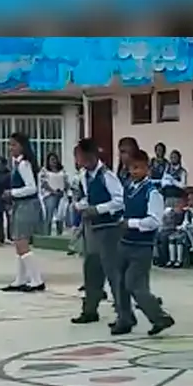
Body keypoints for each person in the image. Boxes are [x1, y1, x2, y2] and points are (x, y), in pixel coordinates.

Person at [110, 149, 176, 336]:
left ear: (148, 168)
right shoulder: (129, 187)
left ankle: (159, 316)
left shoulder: (152, 192)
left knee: (135, 285)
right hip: (125, 242)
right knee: (120, 283)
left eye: (138, 168)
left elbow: (155, 221)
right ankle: (124, 319)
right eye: (131, 168)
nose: (133, 172)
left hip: (142, 246)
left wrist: (130, 223)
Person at [70, 138, 124, 324]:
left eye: (81, 156)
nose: (79, 160)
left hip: (109, 229)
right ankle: (90, 310)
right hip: (92, 228)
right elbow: (88, 197)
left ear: (91, 155)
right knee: (91, 270)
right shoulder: (84, 176)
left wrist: (98, 209)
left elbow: (119, 201)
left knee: (112, 271)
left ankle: (123, 313)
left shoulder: (107, 175)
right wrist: (81, 206)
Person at [0, 132, 46, 292]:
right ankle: (20, 280)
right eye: (9, 144)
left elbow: (31, 188)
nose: (10, 148)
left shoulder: (24, 164)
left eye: (14, 145)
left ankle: (36, 280)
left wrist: (12, 193)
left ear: (23, 146)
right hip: (21, 205)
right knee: (18, 243)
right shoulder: (18, 164)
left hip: (27, 205)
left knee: (22, 242)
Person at [39, 152, 68, 236]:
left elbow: (66, 181)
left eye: (55, 159)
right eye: (51, 160)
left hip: (61, 195)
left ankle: (59, 234)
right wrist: (53, 191)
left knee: (60, 216)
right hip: (50, 195)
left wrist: (65, 189)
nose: (53, 161)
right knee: (49, 216)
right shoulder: (44, 170)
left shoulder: (62, 170)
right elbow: (44, 183)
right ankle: (46, 234)